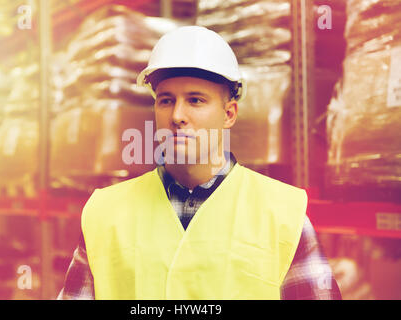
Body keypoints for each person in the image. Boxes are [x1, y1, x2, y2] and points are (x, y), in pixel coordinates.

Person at [58, 26, 341, 300]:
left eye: (195, 100)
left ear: (229, 114)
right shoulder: (105, 214)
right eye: (166, 100)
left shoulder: (283, 215)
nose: (178, 115)